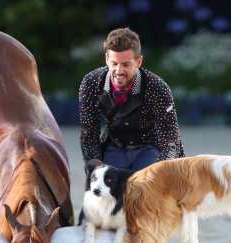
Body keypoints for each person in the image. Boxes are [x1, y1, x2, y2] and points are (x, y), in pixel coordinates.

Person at [79, 27, 185, 171]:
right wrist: (94, 166)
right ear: (106, 59)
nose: (119, 71)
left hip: (149, 149)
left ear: (139, 61)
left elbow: (171, 138)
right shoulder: (91, 82)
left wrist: (163, 170)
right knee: (101, 188)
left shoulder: (157, 87)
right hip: (113, 148)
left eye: (126, 64)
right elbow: (89, 133)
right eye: (114, 64)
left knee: (148, 189)